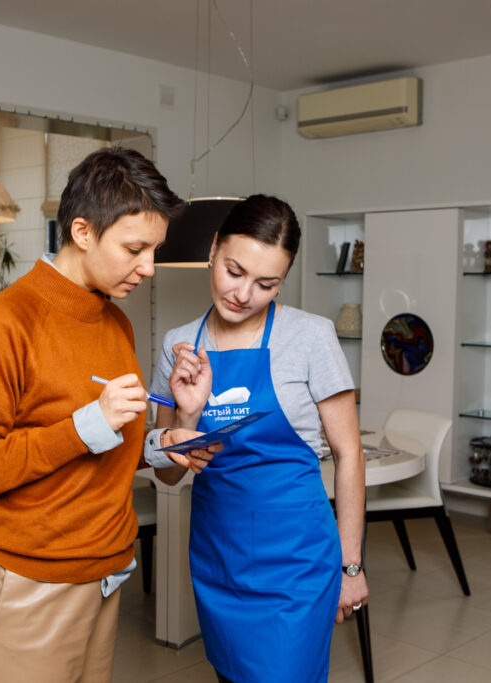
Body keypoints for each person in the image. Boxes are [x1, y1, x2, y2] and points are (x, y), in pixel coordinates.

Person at [0, 146, 216, 683]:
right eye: (135, 249)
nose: (149, 269)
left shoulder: (115, 323)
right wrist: (86, 425)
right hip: (25, 580)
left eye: (154, 250)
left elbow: (114, 451)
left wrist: (175, 434)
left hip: (105, 573)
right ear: (83, 232)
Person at [150, 194, 369, 683]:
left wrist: (351, 567)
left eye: (265, 283)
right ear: (213, 249)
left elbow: (349, 453)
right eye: (234, 271)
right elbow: (166, 475)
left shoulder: (311, 337)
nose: (243, 294)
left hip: (297, 555)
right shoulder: (177, 346)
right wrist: (186, 416)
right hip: (218, 552)